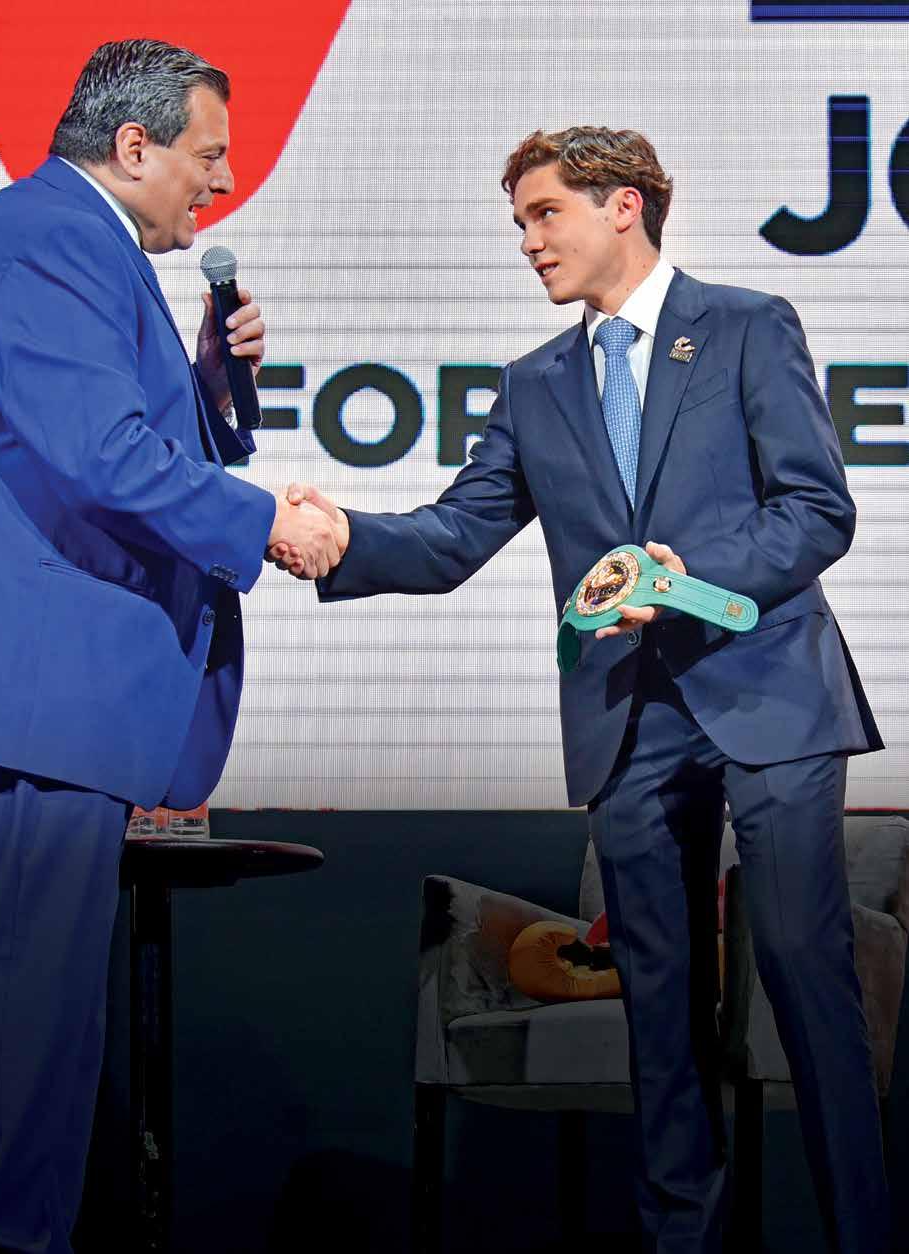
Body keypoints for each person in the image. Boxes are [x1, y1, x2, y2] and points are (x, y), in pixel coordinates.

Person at [272, 127, 889, 1253]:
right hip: (627, 720)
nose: (528, 241)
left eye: (544, 213)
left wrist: (685, 582)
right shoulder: (533, 385)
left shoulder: (747, 326)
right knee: (660, 1008)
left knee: (805, 973)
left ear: (623, 206)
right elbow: (454, 536)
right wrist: (339, 537)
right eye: (519, 222)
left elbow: (815, 510)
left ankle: (862, 1233)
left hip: (769, 695)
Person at [0, 38, 339, 1254]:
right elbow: (98, 454)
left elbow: (83, 437)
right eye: (208, 155)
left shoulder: (74, 243)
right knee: (24, 1020)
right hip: (24, 685)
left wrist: (210, 389)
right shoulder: (50, 234)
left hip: (37, 691)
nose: (221, 182)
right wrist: (265, 523)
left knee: (39, 1025)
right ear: (133, 147)